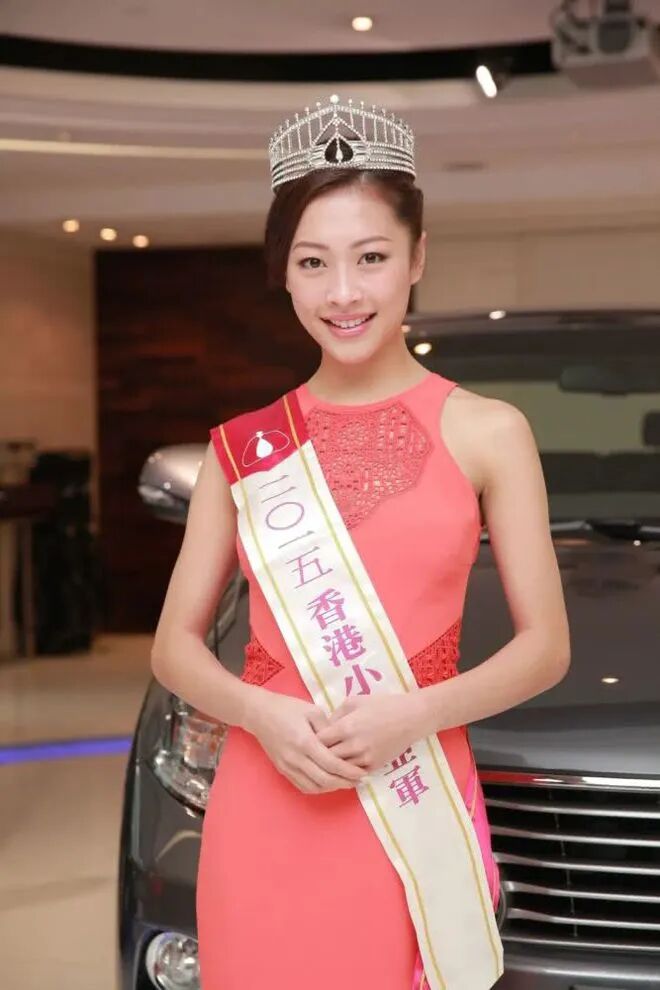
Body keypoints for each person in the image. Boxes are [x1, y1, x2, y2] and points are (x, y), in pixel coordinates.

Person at [150, 95, 571, 990]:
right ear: (285, 273)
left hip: (410, 790)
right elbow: (173, 649)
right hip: (265, 793)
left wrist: (411, 714)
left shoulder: (489, 431)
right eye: (314, 262)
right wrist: (261, 715)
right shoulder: (243, 450)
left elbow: (545, 650)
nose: (344, 292)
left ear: (417, 258)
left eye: (371, 258)